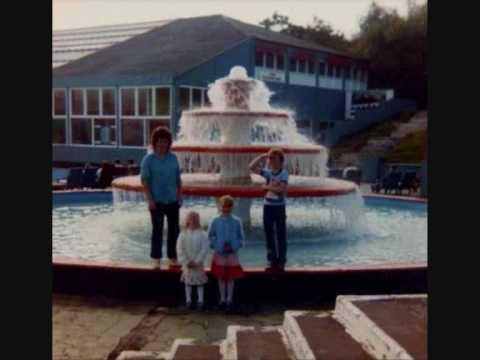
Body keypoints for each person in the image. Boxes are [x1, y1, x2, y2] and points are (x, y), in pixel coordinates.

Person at [140, 127, 182, 269]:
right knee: (157, 230)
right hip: (156, 201)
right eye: (159, 142)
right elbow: (145, 181)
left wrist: (179, 195)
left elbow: (178, 178)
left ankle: (173, 257)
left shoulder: (173, 158)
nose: (162, 145)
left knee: (174, 230)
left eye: (165, 142)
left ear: (168, 143)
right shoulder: (148, 160)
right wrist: (149, 200)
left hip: (172, 200)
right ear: (155, 143)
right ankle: (156, 259)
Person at [249, 148, 289, 272]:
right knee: (269, 234)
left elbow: (281, 189)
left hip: (279, 207)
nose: (270, 160)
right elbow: (251, 167)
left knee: (281, 234)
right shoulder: (267, 172)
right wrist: (262, 157)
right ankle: (272, 260)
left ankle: (281, 260)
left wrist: (266, 187)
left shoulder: (284, 173)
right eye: (270, 158)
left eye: (273, 158)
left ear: (280, 160)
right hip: (268, 206)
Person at [208, 195, 244, 313]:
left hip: (232, 254)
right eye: (224, 206)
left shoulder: (237, 221)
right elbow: (211, 236)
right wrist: (217, 246)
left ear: (232, 207)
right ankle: (222, 299)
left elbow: (241, 237)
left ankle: (229, 299)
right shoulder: (215, 220)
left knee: (231, 277)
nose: (226, 209)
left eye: (228, 207)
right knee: (221, 277)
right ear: (220, 206)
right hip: (220, 253)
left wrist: (234, 246)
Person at [176, 211, 210, 311]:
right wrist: (185, 261)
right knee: (188, 282)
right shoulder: (182, 234)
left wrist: (197, 261)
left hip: (198, 264)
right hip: (187, 263)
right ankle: (188, 300)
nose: (193, 221)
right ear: (187, 221)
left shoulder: (203, 234)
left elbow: (205, 248)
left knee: (200, 283)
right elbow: (179, 248)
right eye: (191, 219)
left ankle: (200, 301)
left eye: (195, 219)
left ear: (198, 221)